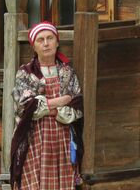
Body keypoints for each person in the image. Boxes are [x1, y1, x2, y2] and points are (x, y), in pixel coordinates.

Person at [10, 21, 83, 189]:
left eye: (50, 38)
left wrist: (47, 108)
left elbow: (77, 107)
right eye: (40, 40)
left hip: (62, 138)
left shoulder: (67, 72)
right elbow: (26, 108)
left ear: (57, 42)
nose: (46, 43)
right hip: (34, 138)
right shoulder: (26, 73)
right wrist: (59, 101)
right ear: (33, 46)